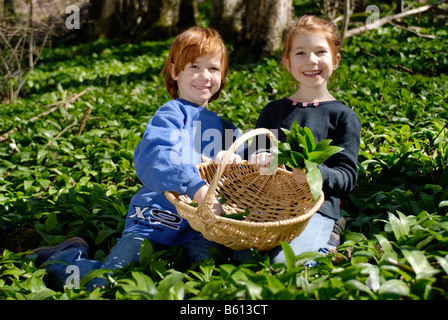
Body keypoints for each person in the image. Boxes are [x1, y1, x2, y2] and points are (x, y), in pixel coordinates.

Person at [33, 26, 242, 291]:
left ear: (222, 76)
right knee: (104, 283)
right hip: (153, 221)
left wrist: (261, 158)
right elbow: (153, 156)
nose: (204, 76)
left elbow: (249, 159)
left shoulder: (225, 128)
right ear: (175, 72)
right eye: (194, 67)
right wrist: (196, 187)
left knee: (210, 279)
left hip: (200, 230)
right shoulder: (172, 114)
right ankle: (64, 258)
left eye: (213, 69)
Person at [246, 15, 361, 264]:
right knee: (241, 256)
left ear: (336, 60)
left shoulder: (343, 116)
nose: (311, 60)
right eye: (301, 53)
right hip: (270, 208)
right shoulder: (273, 111)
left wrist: (312, 173)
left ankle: (331, 233)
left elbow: (347, 176)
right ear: (287, 63)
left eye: (320, 51)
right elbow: (251, 159)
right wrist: (256, 159)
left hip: (316, 209)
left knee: (284, 264)